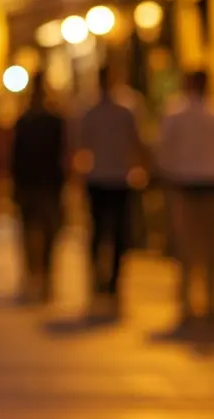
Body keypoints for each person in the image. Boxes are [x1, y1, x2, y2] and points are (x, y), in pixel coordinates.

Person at [158, 69, 214, 328]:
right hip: (208, 184)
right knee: (210, 247)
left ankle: (189, 302)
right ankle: (210, 301)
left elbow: (164, 148)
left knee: (187, 247)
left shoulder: (176, 113)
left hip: (187, 185)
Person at [77, 66, 145, 315]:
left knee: (104, 230)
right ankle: (109, 278)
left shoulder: (96, 110)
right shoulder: (122, 109)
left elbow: (81, 144)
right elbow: (136, 142)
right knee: (114, 231)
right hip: (113, 177)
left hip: (106, 177)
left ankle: (103, 277)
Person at [12, 74, 67, 304]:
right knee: (38, 230)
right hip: (38, 184)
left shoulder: (48, 121)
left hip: (42, 184)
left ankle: (40, 273)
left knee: (42, 230)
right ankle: (38, 273)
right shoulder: (29, 121)